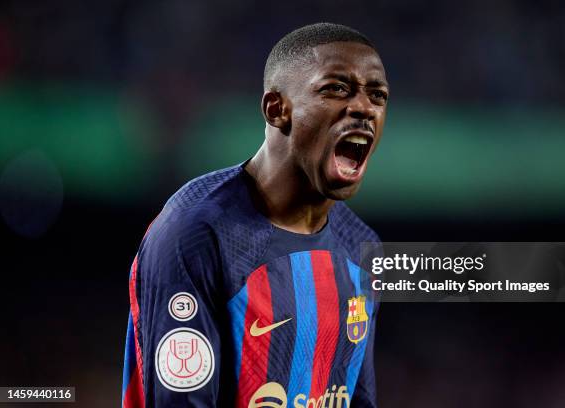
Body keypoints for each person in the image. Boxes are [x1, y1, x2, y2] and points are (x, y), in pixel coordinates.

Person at [122, 22, 389, 408]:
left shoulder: (361, 248)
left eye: (377, 96)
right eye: (336, 89)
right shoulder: (196, 232)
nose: (365, 108)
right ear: (277, 109)